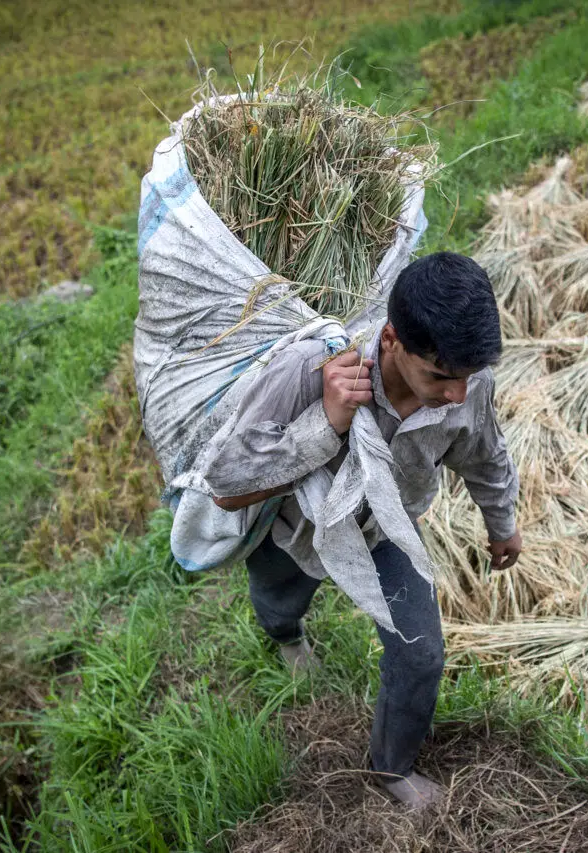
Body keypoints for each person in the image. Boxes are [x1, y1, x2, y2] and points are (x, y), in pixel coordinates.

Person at [206, 252, 522, 810]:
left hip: (385, 529)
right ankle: (287, 639)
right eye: (441, 377)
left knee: (421, 654)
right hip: (295, 526)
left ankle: (391, 767)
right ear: (394, 340)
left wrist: (502, 525)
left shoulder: (468, 383)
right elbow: (228, 484)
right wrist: (327, 423)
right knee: (280, 599)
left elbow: (486, 455)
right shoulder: (311, 366)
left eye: (467, 378)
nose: (457, 394)